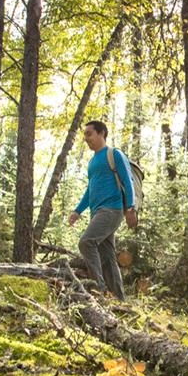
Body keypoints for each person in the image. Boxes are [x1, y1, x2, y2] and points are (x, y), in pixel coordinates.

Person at [67, 120, 136, 299]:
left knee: (86, 242)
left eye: (89, 134)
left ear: (101, 133)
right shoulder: (92, 162)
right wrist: (77, 211)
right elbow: (90, 190)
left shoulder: (114, 154)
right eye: (85, 135)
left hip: (112, 209)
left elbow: (128, 181)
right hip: (97, 212)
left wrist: (130, 207)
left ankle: (98, 289)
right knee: (107, 257)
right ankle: (119, 299)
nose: (86, 138)